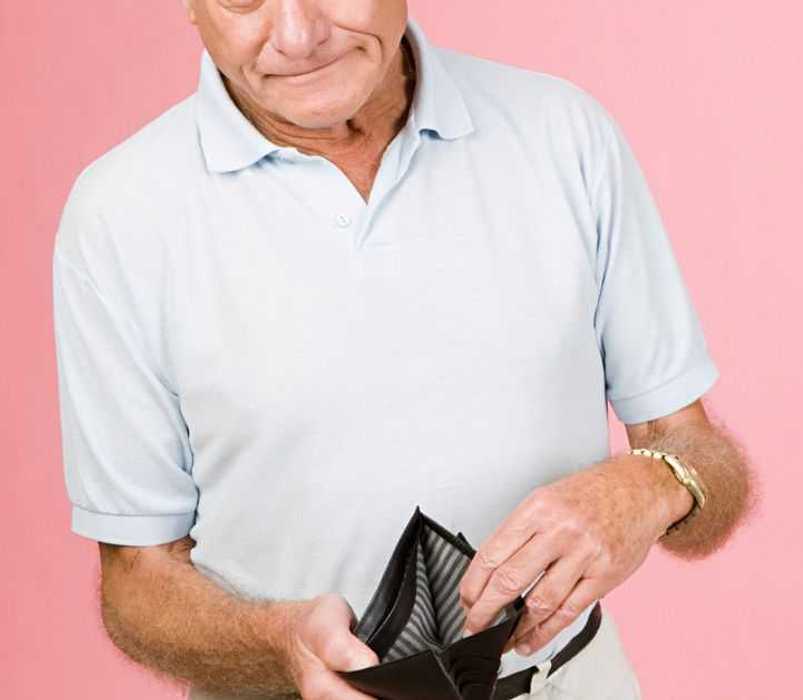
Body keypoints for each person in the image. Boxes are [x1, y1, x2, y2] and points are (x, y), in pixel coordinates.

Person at [50, 2, 757, 698]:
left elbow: (701, 461)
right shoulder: (119, 214)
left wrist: (647, 485)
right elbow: (136, 581)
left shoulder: (562, 133)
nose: (298, 36)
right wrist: (276, 644)